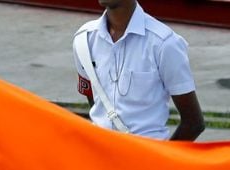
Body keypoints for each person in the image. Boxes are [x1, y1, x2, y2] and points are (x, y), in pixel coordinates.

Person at [72, 0, 205, 141]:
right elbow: (96, 103)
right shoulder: (84, 40)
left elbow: (194, 123)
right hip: (99, 155)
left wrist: (161, 160)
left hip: (146, 155)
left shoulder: (164, 43)